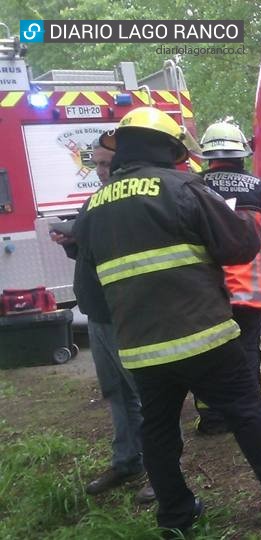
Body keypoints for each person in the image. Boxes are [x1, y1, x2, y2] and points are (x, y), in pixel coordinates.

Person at [73, 107, 261, 534]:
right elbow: (237, 246)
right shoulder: (181, 187)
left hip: (141, 346)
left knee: (156, 430)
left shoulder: (94, 207)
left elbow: (89, 292)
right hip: (202, 335)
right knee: (248, 410)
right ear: (166, 148)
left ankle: (175, 516)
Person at [50, 141, 155, 504]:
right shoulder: (96, 200)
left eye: (105, 163)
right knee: (117, 393)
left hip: (126, 314)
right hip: (98, 313)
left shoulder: (129, 201)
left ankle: (161, 472)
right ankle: (127, 461)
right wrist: (70, 241)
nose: (99, 171)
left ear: (124, 162)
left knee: (148, 396)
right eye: (95, 164)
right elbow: (88, 249)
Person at [191, 119, 261, 435]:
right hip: (252, 291)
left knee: (208, 355)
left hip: (208, 293)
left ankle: (213, 418)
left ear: (207, 156)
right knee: (247, 349)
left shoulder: (192, 187)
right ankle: (249, 412)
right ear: (241, 154)